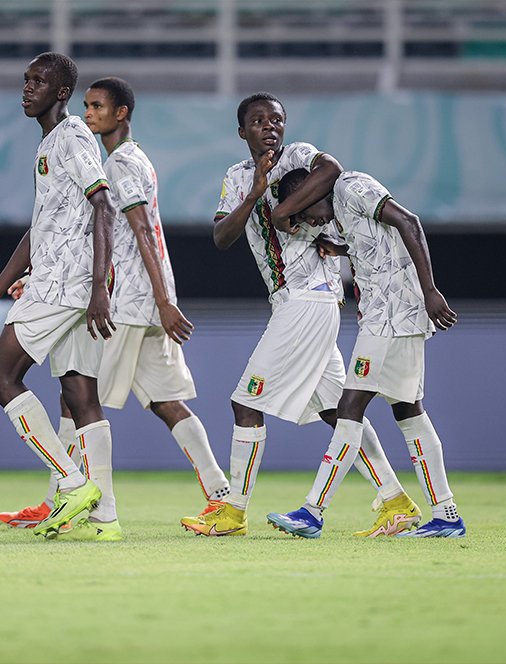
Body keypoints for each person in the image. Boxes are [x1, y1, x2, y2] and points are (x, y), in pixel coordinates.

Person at [0, 77, 230, 537]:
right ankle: (222, 496)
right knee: (166, 402)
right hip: (152, 298)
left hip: (128, 301)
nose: (89, 114)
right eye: (87, 105)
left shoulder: (119, 165)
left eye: (99, 106)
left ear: (122, 113)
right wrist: (164, 298)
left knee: (77, 395)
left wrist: (160, 302)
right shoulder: (138, 159)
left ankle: (65, 499)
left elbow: (140, 232)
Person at [181, 92, 420, 538]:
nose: (269, 126)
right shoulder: (236, 177)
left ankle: (233, 510)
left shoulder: (299, 156)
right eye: (257, 120)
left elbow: (332, 170)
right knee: (336, 410)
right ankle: (395, 500)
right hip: (298, 300)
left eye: (276, 119)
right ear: (241, 131)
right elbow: (221, 237)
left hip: (309, 296)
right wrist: (255, 194)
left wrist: (280, 209)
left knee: (246, 402)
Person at [0, 52, 120, 540]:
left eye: (39, 81)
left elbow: (105, 207)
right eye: (26, 79)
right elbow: (39, 232)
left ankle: (72, 483)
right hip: (64, 283)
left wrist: (99, 287)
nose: (27, 87)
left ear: (62, 92)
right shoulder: (51, 143)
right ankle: (106, 519)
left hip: (62, 284)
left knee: (1, 376)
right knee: (79, 393)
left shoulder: (72, 136)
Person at [265, 167, 465, 538]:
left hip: (390, 316)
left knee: (349, 407)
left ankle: (312, 511)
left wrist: (431, 290)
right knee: (408, 411)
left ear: (310, 194)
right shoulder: (340, 214)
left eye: (307, 214)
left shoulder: (351, 186)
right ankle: (446, 514)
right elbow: (379, 245)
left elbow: (409, 222)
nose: (313, 223)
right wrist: (343, 249)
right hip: (389, 316)